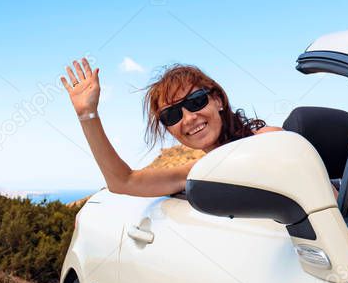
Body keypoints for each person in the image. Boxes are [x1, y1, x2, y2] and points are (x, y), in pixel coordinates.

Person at [61, 57, 281, 197]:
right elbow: (123, 182)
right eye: (171, 114)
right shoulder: (198, 172)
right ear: (169, 129)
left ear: (218, 100)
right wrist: (87, 114)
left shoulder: (268, 140)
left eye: (195, 101)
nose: (188, 118)